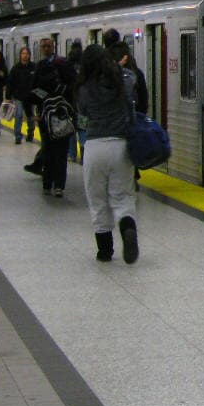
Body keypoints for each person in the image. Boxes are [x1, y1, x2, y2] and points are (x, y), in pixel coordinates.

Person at [75, 44, 138, 264]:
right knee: (122, 196)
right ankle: (128, 226)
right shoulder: (124, 80)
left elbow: (82, 112)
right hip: (121, 145)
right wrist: (118, 68)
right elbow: (133, 81)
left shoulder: (84, 87)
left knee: (97, 199)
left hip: (95, 146)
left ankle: (105, 250)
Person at [28, 38, 75, 197]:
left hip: (59, 114)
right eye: (44, 46)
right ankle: (49, 183)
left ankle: (57, 185)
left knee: (59, 151)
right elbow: (33, 90)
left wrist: (51, 98)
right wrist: (46, 100)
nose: (46, 49)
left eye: (48, 46)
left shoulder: (62, 64)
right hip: (46, 115)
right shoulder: (40, 66)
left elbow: (72, 86)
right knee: (49, 149)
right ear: (41, 48)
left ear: (53, 47)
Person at [6, 45, 38, 142]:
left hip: (30, 97)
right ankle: (18, 136)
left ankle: (30, 133)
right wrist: (8, 96)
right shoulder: (15, 68)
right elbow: (10, 83)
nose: (25, 56)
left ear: (29, 55)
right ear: (20, 55)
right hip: (18, 96)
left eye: (27, 54)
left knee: (30, 117)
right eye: (23, 54)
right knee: (18, 115)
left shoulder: (34, 67)